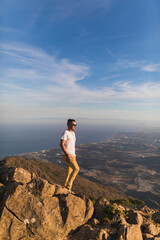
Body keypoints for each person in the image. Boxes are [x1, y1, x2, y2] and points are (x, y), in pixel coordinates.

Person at [60, 119, 79, 193]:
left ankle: (65, 186)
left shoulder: (73, 133)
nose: (74, 126)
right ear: (68, 124)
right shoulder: (66, 133)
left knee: (69, 170)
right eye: (73, 125)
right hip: (68, 155)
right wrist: (67, 154)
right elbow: (62, 144)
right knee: (76, 169)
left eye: (75, 125)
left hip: (72, 155)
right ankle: (68, 186)